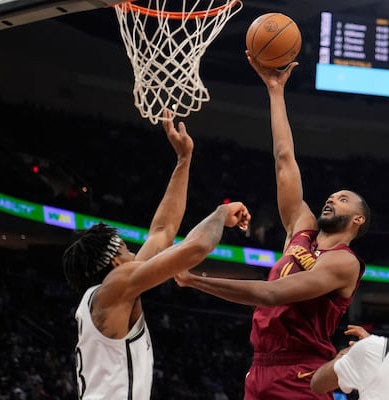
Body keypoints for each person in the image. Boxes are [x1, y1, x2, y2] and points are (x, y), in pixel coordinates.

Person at [173, 53, 371, 400]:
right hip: (260, 367)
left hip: (302, 371)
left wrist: (194, 279)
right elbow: (284, 160)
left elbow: (272, 293)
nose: (331, 199)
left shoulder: (344, 262)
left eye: (342, 199)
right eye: (331, 196)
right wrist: (275, 91)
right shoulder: (303, 229)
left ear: (358, 220)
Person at [62, 109, 251, 400]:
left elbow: (162, 232)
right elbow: (197, 248)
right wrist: (220, 213)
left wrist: (184, 161)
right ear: (114, 261)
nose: (135, 251)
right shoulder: (115, 287)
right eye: (126, 248)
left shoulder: (111, 292)